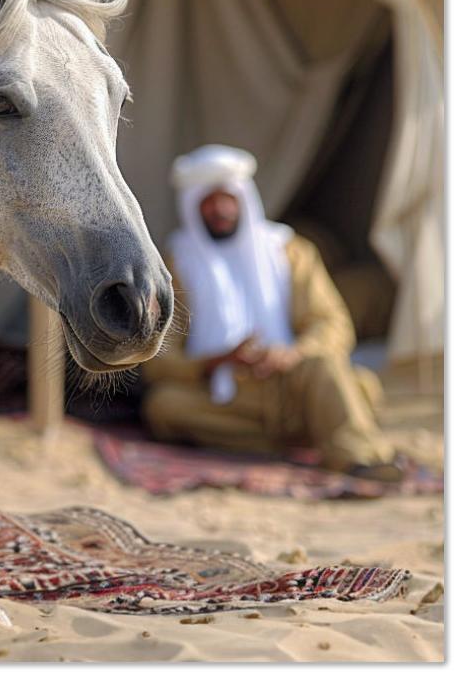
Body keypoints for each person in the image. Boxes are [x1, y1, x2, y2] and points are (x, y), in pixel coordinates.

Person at [141, 144, 403, 481]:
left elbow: (332, 323)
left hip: (296, 383)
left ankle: (359, 460)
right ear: (193, 206)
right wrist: (218, 361)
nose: (219, 209)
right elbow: (158, 358)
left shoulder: (291, 252)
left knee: (347, 376)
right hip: (230, 397)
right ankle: (311, 434)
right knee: (163, 407)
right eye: (208, 201)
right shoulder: (175, 266)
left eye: (227, 198)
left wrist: (292, 355)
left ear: (242, 200)